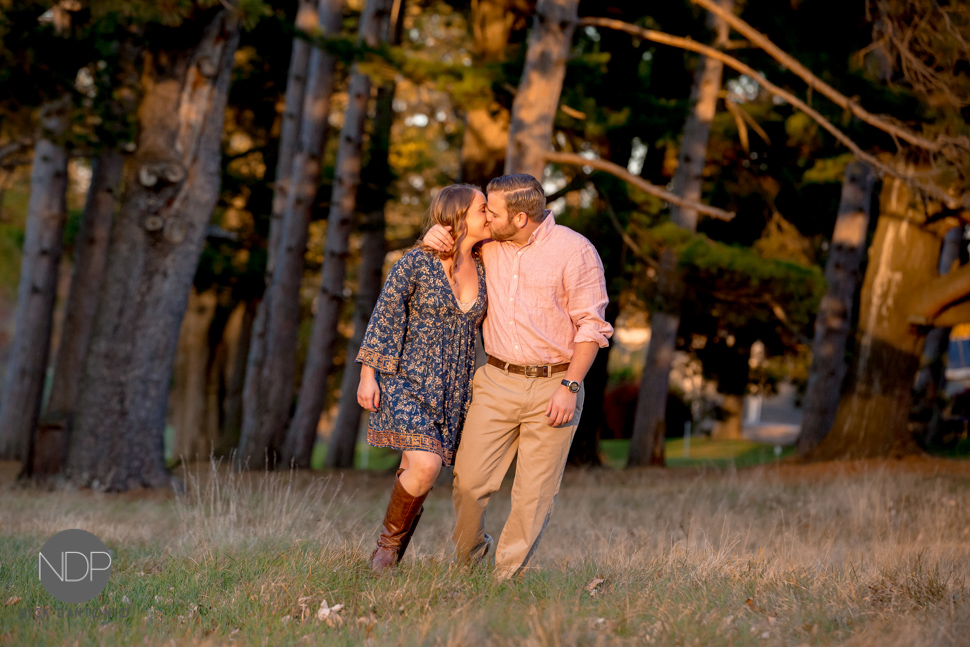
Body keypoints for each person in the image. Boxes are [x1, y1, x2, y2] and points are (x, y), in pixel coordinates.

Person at [423, 173, 613, 580]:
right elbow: (442, 257)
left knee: (533, 494)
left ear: (521, 218)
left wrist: (570, 386)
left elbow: (592, 327)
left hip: (555, 384)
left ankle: (505, 580)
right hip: (496, 380)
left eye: (492, 212)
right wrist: (435, 235)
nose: (486, 218)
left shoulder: (576, 251)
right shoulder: (487, 245)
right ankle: (469, 563)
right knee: (469, 482)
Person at [356, 184, 490, 574]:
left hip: (452, 389)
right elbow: (385, 316)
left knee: (419, 468)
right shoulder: (417, 261)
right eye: (482, 209)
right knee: (427, 465)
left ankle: (389, 561)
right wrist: (368, 375)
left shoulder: (486, 261)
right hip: (405, 380)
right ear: (459, 215)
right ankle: (386, 551)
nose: (489, 215)